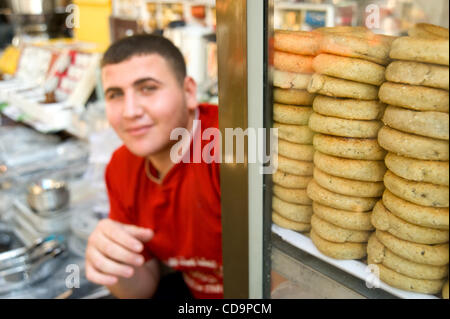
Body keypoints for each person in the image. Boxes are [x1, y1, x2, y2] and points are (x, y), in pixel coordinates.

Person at [85, 34, 222, 299]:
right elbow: (142, 287)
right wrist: (110, 264)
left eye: (147, 88)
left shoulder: (231, 148)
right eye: (115, 94)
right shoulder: (121, 166)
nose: (130, 111)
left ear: (189, 92)